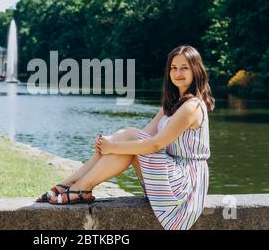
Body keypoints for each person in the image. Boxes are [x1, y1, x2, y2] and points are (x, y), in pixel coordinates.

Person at [36, 45, 215, 230]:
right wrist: (112, 141)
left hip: (185, 187)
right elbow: (143, 134)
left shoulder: (191, 107)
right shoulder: (171, 105)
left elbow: (155, 144)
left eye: (184, 67)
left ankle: (79, 187)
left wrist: (112, 146)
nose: (177, 73)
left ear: (196, 70)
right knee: (125, 136)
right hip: (168, 178)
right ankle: (72, 184)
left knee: (125, 138)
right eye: (173, 68)